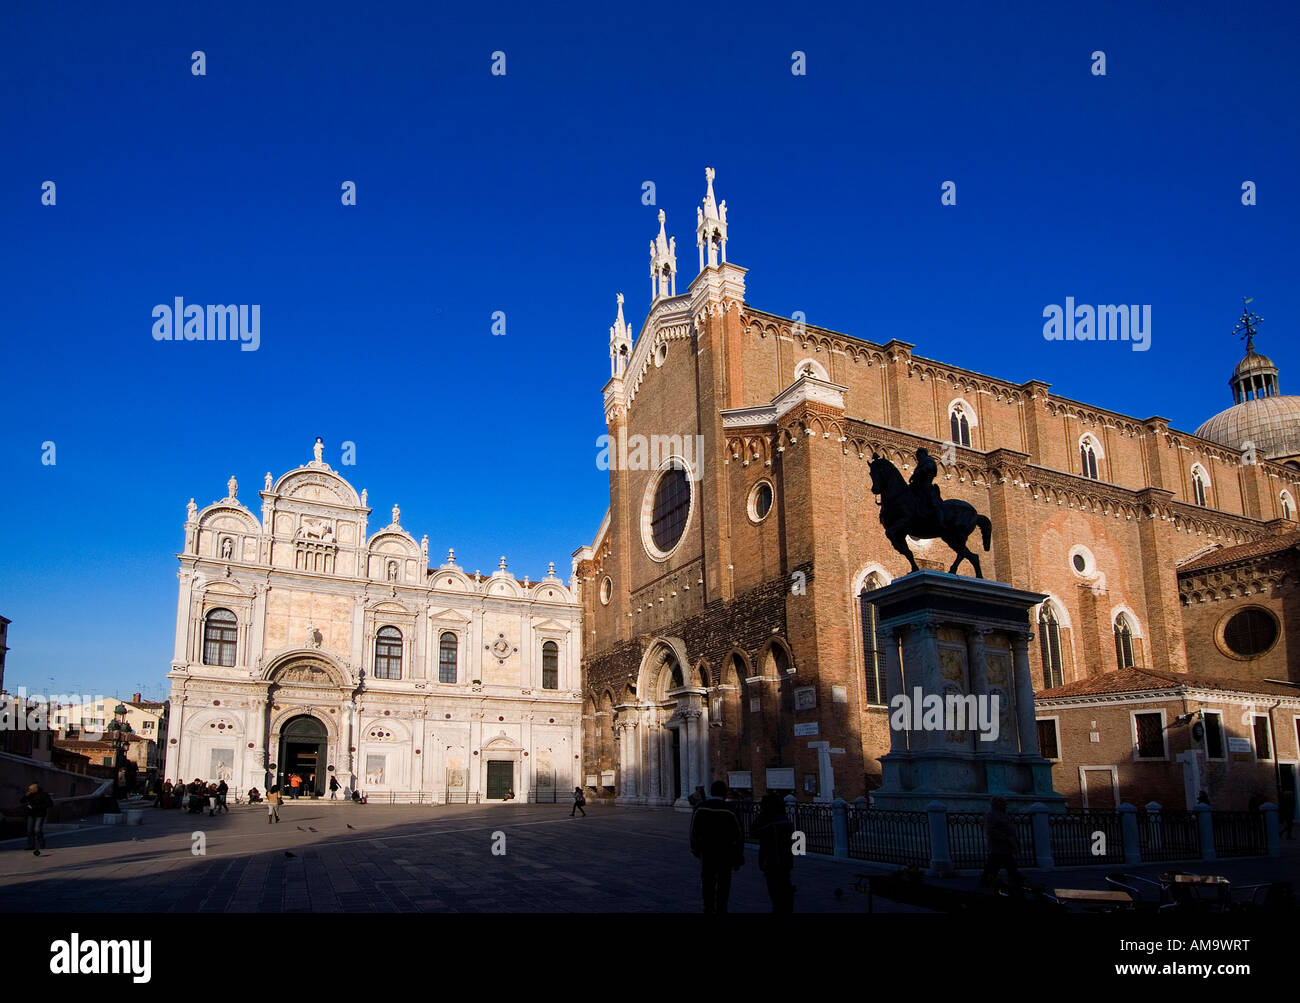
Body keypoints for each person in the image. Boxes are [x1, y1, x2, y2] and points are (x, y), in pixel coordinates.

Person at [689, 780, 744, 913]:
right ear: (724, 793)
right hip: (726, 853)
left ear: (711, 792)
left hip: (707, 853)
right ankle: (721, 907)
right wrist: (738, 857)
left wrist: (696, 850)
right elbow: (739, 835)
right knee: (724, 882)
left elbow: (693, 832)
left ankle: (708, 907)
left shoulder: (701, 808)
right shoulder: (730, 810)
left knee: (708, 881)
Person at [753, 792, 795, 913]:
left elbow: (753, 830)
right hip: (786, 861)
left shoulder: (770, 823)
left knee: (776, 894)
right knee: (785, 891)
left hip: (772, 862)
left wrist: (763, 815)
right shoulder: (786, 821)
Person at [980, 796, 1023, 893]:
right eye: (1002, 802)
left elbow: (1009, 828)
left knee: (1001, 864)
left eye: (1005, 802)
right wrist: (1005, 838)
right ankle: (987, 881)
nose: (1005, 804)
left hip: (1006, 846)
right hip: (998, 846)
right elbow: (990, 830)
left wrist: (1014, 841)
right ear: (996, 804)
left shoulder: (1004, 814)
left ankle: (1014, 881)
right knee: (996, 865)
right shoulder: (991, 815)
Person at [21, 783, 54, 856]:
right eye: (29, 789)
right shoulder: (29, 795)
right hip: (31, 814)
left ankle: (41, 843)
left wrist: (36, 807)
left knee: (37, 830)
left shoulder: (44, 794)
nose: (29, 790)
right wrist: (25, 796)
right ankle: (31, 845)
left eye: (31, 789)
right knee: (29, 830)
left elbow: (50, 804)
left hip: (40, 814)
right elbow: (22, 801)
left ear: (35, 789)